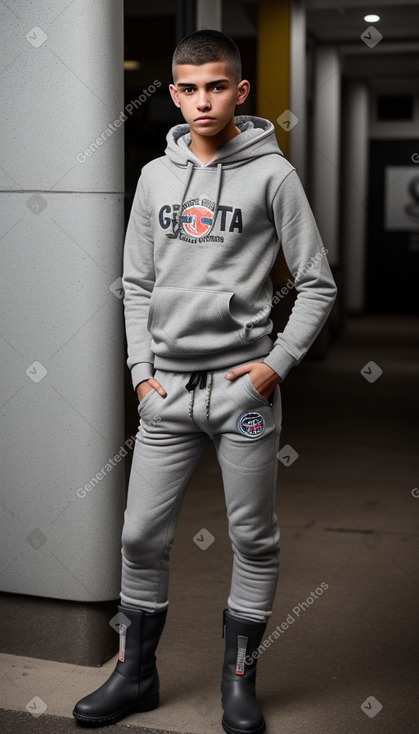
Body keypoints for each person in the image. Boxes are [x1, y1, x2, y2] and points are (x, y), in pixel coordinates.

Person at [73, 29, 337, 734]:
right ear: (171, 92)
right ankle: (135, 675)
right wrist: (139, 374)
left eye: (215, 86)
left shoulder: (272, 174)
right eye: (186, 88)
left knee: (252, 538)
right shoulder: (156, 176)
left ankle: (239, 682)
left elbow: (316, 284)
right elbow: (134, 283)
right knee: (138, 539)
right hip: (165, 393)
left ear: (240, 91)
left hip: (240, 392)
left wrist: (272, 367)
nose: (200, 101)